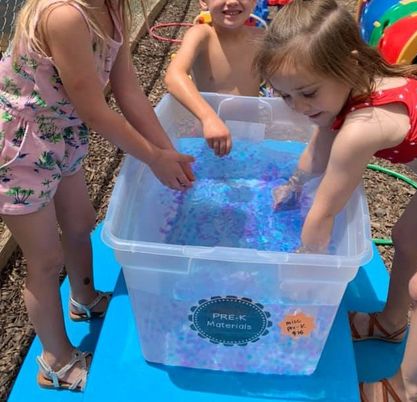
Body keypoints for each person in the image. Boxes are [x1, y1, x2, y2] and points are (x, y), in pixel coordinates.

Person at [253, 0, 417, 401]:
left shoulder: (364, 127)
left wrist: (300, 272)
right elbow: (319, 147)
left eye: (307, 93)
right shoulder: (350, 89)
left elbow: (325, 212)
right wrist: (295, 183)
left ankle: (406, 390)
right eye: (285, 97)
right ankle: (390, 323)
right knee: (405, 238)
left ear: (349, 64)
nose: (299, 108)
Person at [0, 0, 195, 391]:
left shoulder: (113, 6)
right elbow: (93, 110)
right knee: (44, 260)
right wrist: (153, 158)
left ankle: (84, 297)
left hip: (62, 133)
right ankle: (55, 361)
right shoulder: (65, 15)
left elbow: (128, 91)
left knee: (81, 223)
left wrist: (167, 151)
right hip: (19, 147)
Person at [164, 0, 263, 157]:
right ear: (203, 2)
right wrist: (208, 118)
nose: (231, 2)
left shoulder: (261, 39)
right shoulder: (201, 35)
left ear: (254, 2)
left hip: (249, 134)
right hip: (209, 136)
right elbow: (173, 76)